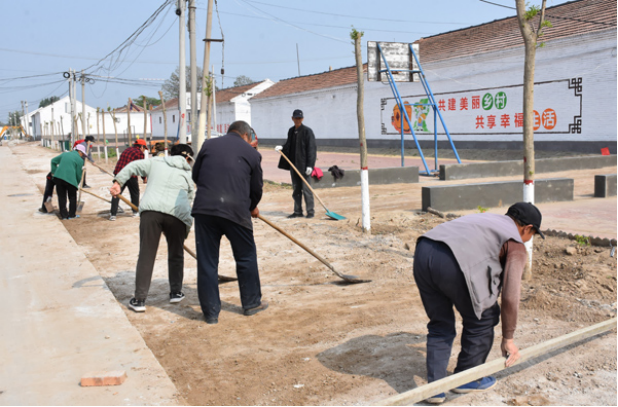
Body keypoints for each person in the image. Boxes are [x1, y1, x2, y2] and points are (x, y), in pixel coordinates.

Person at [413, 202, 544, 405]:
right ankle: (467, 379)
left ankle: (434, 388)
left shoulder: (488, 220)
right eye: (532, 234)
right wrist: (508, 338)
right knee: (483, 318)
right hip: (452, 262)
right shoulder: (515, 242)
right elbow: (510, 296)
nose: (529, 240)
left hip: (423, 251)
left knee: (440, 325)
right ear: (527, 228)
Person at [192, 120, 267, 325]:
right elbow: (257, 188)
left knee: (207, 261)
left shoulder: (208, 145)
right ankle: (251, 304)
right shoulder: (252, 153)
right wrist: (252, 206)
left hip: (205, 210)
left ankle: (211, 313)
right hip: (236, 212)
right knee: (246, 257)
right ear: (246, 135)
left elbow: (195, 175)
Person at [110, 144, 196, 313]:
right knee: (176, 253)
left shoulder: (155, 162)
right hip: (177, 215)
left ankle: (140, 300)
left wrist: (118, 182)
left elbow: (133, 166)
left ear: (170, 154)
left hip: (151, 212)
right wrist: (183, 230)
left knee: (146, 254)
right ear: (187, 158)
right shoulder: (188, 174)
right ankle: (176, 292)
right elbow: (189, 199)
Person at [276, 109, 317, 219]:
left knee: (307, 189)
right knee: (296, 189)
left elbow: (312, 149)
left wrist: (310, 165)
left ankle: (310, 212)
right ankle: (297, 211)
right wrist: (282, 147)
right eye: (296, 118)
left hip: (304, 167)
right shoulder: (291, 131)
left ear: (302, 119)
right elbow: (288, 145)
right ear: (292, 118)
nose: (297, 120)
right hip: (293, 166)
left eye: (299, 118)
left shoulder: (307, 131)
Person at [110, 139, 148, 221]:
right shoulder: (139, 153)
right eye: (144, 148)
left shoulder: (127, 149)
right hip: (130, 176)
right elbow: (141, 167)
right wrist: (144, 178)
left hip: (119, 174)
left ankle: (113, 214)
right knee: (135, 193)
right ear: (141, 146)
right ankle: (135, 212)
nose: (144, 150)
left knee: (116, 193)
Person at [50, 144, 88, 220]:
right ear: (79, 151)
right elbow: (78, 174)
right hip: (70, 180)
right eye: (82, 154)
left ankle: (64, 216)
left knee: (62, 197)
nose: (82, 155)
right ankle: (72, 215)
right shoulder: (80, 160)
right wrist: (76, 184)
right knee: (72, 197)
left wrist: (54, 172)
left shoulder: (65, 154)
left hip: (58, 178)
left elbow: (53, 161)